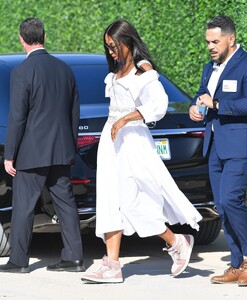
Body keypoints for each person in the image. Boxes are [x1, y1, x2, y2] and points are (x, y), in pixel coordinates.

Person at [80, 19, 202, 284]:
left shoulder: (142, 69)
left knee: (137, 200)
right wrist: (116, 123)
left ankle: (177, 240)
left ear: (127, 41)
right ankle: (112, 264)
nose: (111, 51)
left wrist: (126, 119)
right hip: (111, 141)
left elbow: (159, 104)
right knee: (109, 199)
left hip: (132, 141)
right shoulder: (116, 71)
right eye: (107, 47)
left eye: (113, 46)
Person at [0, 18, 84, 273]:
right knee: (66, 204)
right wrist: (70, 146)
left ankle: (19, 261)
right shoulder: (64, 69)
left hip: (32, 153)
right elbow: (74, 112)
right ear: (44, 36)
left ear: (21, 40)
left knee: (23, 207)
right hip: (61, 151)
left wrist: (10, 154)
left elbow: (18, 117)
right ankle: (74, 258)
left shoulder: (21, 72)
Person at [189, 15, 247, 286]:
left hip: (238, 145)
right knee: (222, 206)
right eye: (207, 42)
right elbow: (203, 93)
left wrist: (218, 105)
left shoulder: (245, 64)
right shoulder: (207, 68)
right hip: (213, 145)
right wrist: (195, 106)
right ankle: (237, 264)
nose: (210, 46)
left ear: (231, 39)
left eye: (216, 41)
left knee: (232, 200)